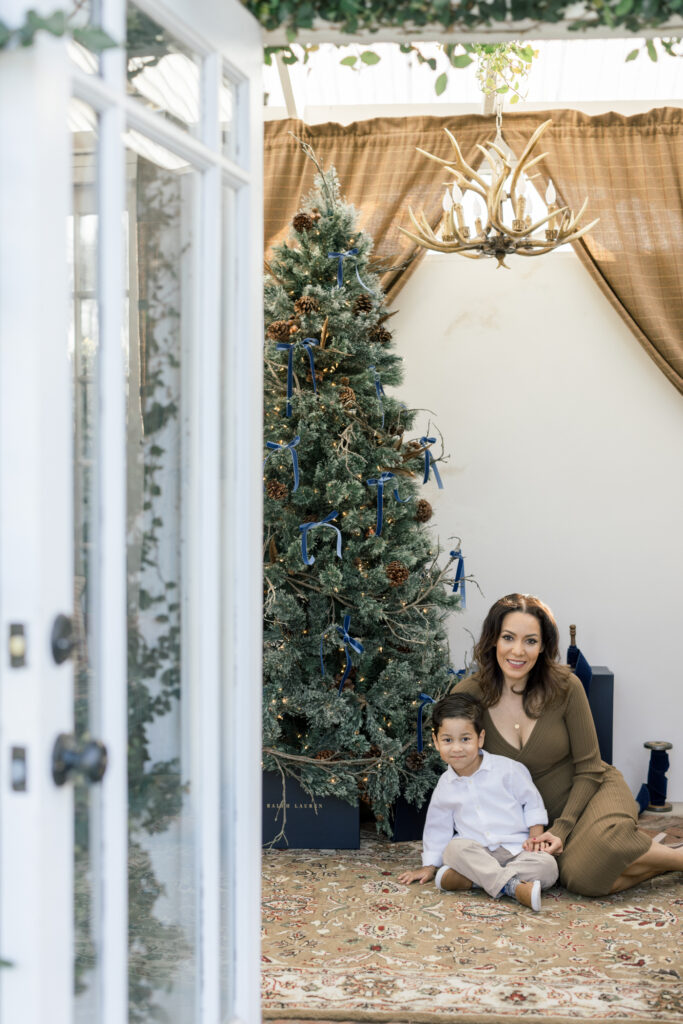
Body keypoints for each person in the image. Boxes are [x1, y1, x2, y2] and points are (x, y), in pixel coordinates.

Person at [452, 593, 683, 896]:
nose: (518, 651)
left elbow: (590, 767)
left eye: (531, 641)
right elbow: (460, 770)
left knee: (601, 855)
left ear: (544, 645)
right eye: (508, 637)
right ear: (493, 639)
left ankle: (677, 859)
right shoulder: (467, 695)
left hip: (591, 790)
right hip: (535, 820)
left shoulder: (566, 687)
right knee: (581, 879)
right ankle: (653, 857)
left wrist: (562, 828)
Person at [398, 693, 559, 912]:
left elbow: (532, 803)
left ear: (480, 739)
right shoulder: (445, 786)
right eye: (447, 740)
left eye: (465, 739)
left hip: (515, 849)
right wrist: (429, 866)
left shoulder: (508, 770)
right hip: (476, 851)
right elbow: (438, 828)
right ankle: (514, 887)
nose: (456, 748)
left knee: (548, 868)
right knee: (453, 849)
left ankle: (473, 880)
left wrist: (535, 839)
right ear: (435, 742)